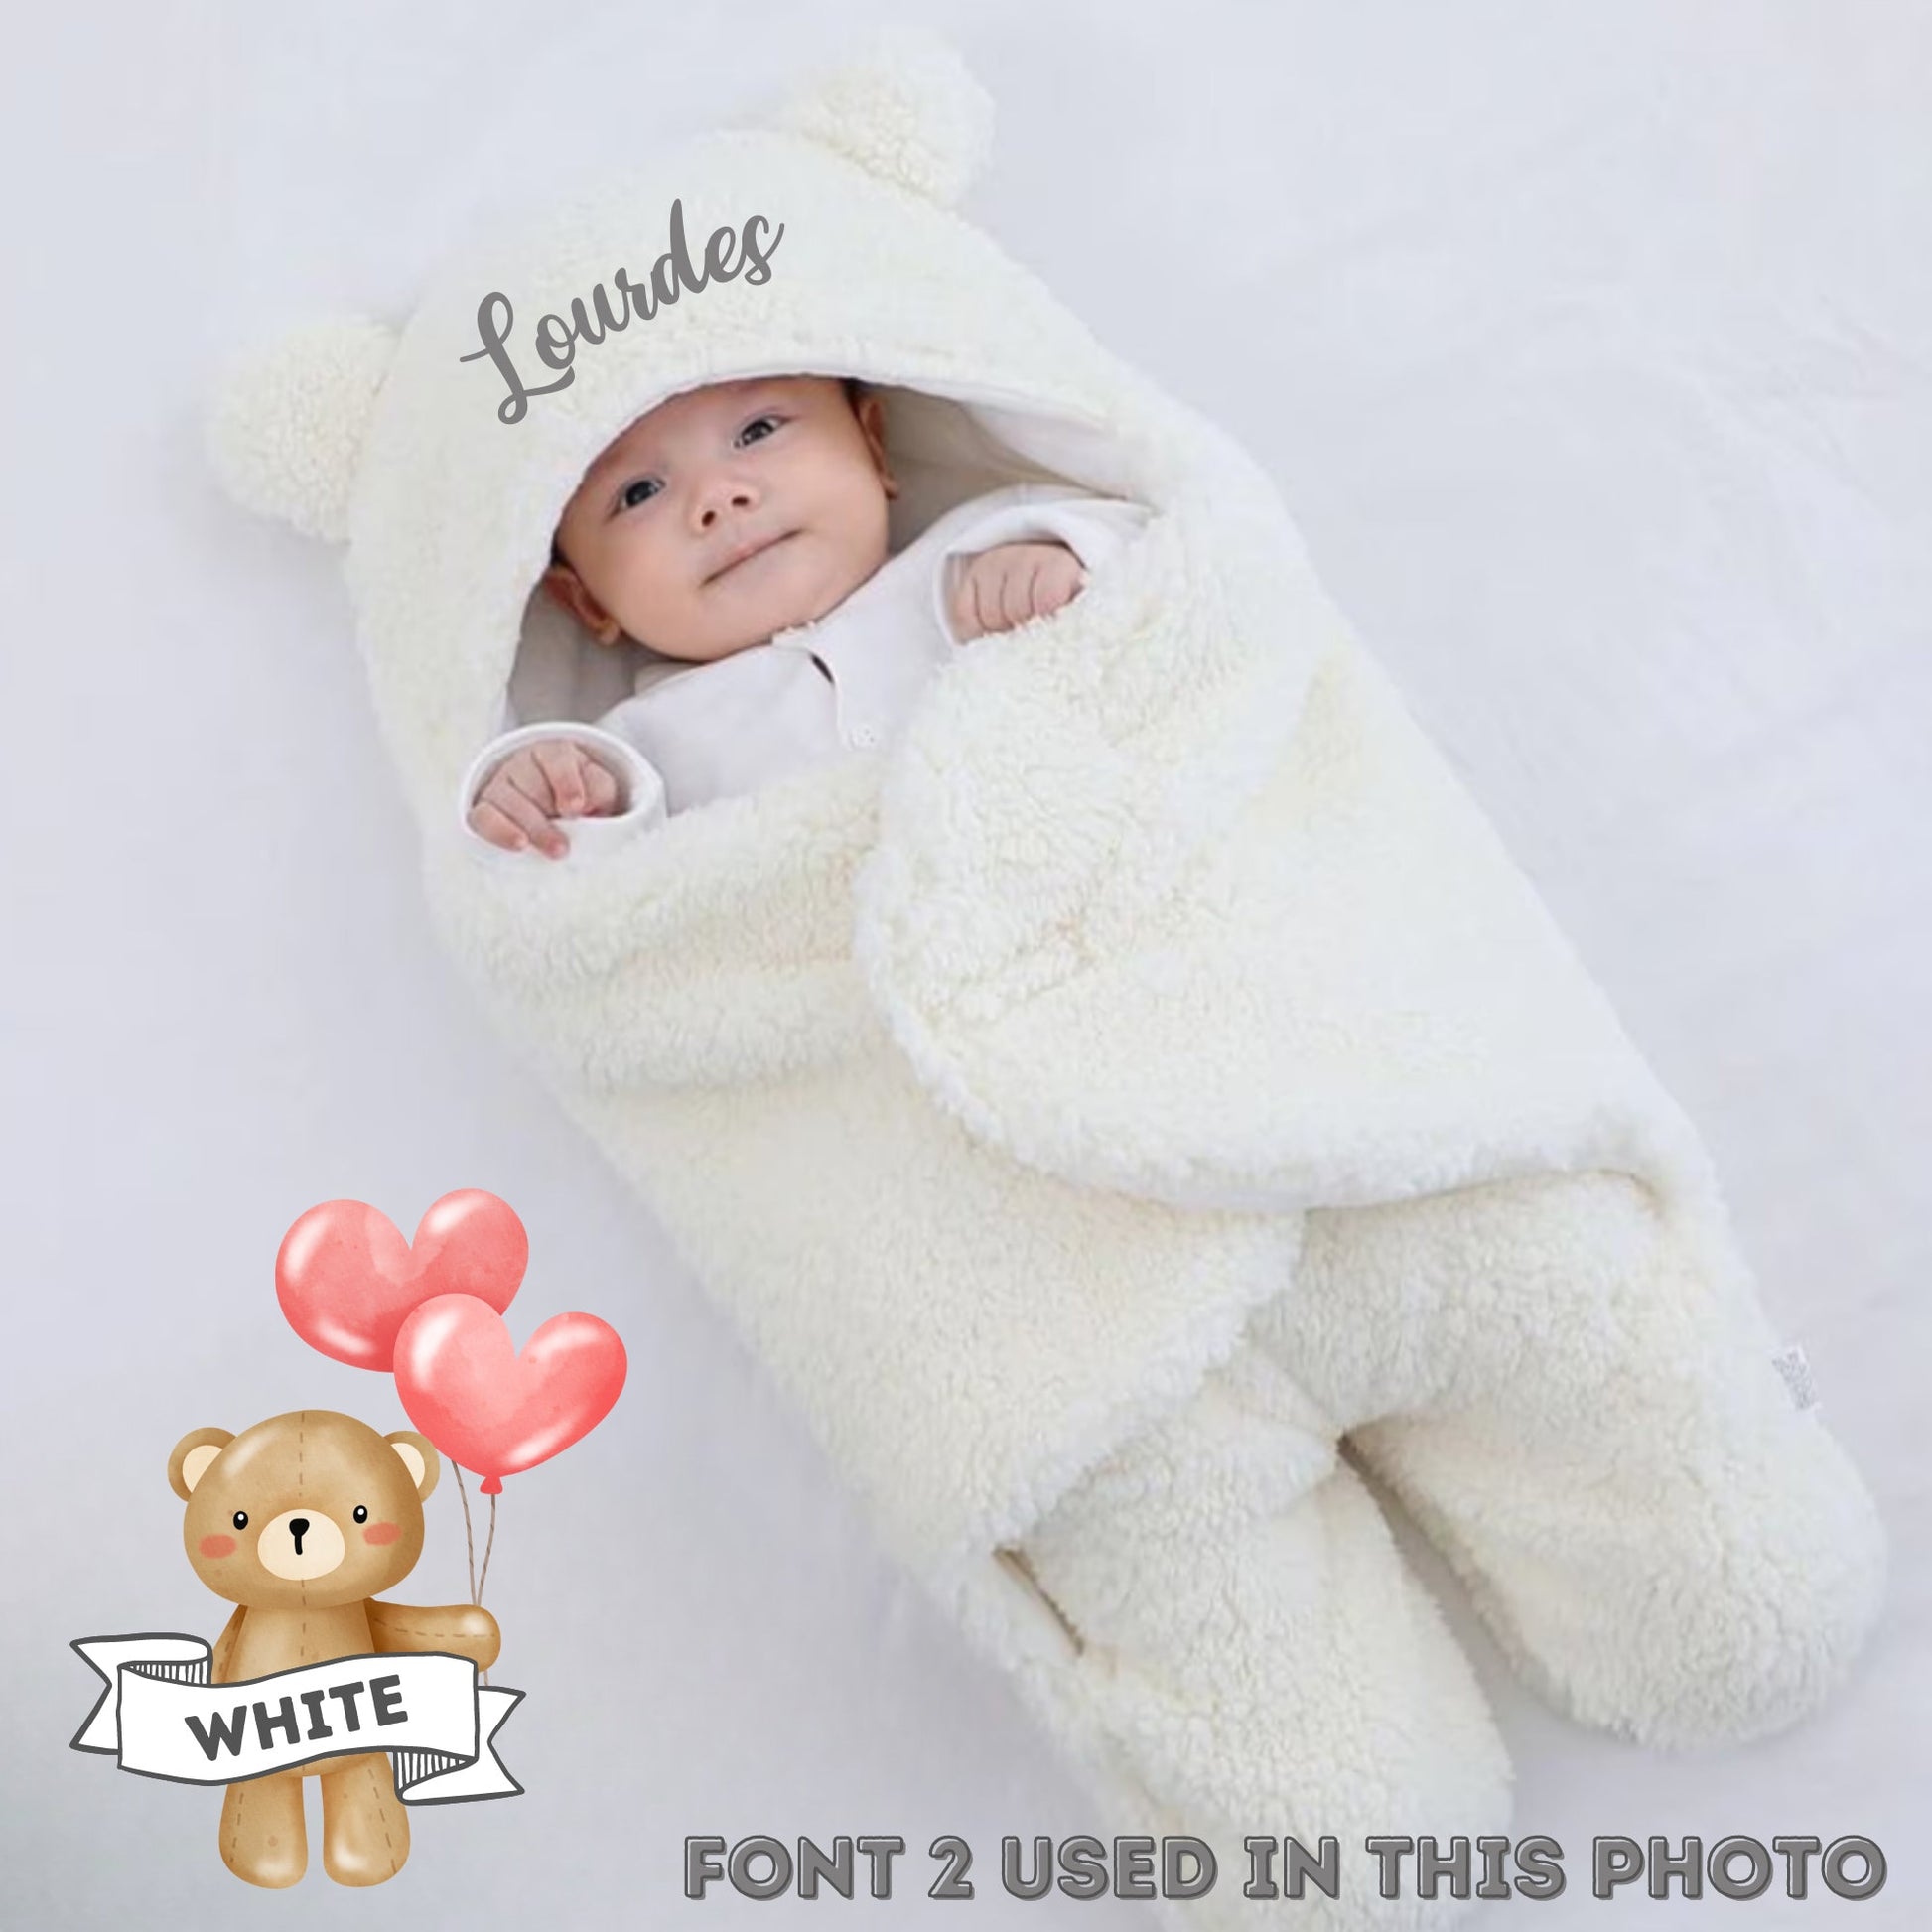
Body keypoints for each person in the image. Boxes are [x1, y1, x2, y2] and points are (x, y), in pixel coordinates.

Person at [463, 372, 1148, 855]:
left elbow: (1168, 573)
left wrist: (1064, 567)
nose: (718, 497)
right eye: (640, 492)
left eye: (758, 430)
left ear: (871, 446)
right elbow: (587, 902)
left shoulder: (979, 549)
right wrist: (546, 795)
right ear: (586, 600)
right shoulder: (638, 755)